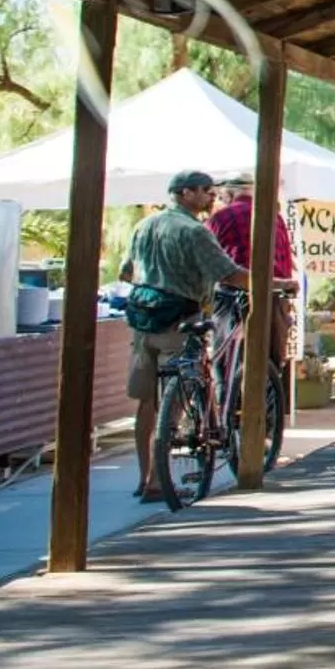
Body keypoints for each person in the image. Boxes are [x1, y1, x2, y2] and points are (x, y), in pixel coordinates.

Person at [119, 171, 250, 502]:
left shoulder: (144, 226)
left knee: (147, 401)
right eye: (206, 190)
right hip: (180, 319)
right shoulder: (194, 231)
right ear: (185, 193)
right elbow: (229, 274)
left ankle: (145, 476)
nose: (212, 196)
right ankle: (159, 483)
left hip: (142, 321)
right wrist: (274, 283)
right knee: (174, 400)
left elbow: (125, 272)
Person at [208, 173, 296, 370]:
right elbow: (286, 261)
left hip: (232, 295)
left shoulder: (219, 218)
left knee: (226, 362)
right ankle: (269, 396)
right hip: (273, 295)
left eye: (222, 197)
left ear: (230, 194)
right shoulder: (275, 217)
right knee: (269, 361)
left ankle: (227, 398)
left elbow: (208, 260)